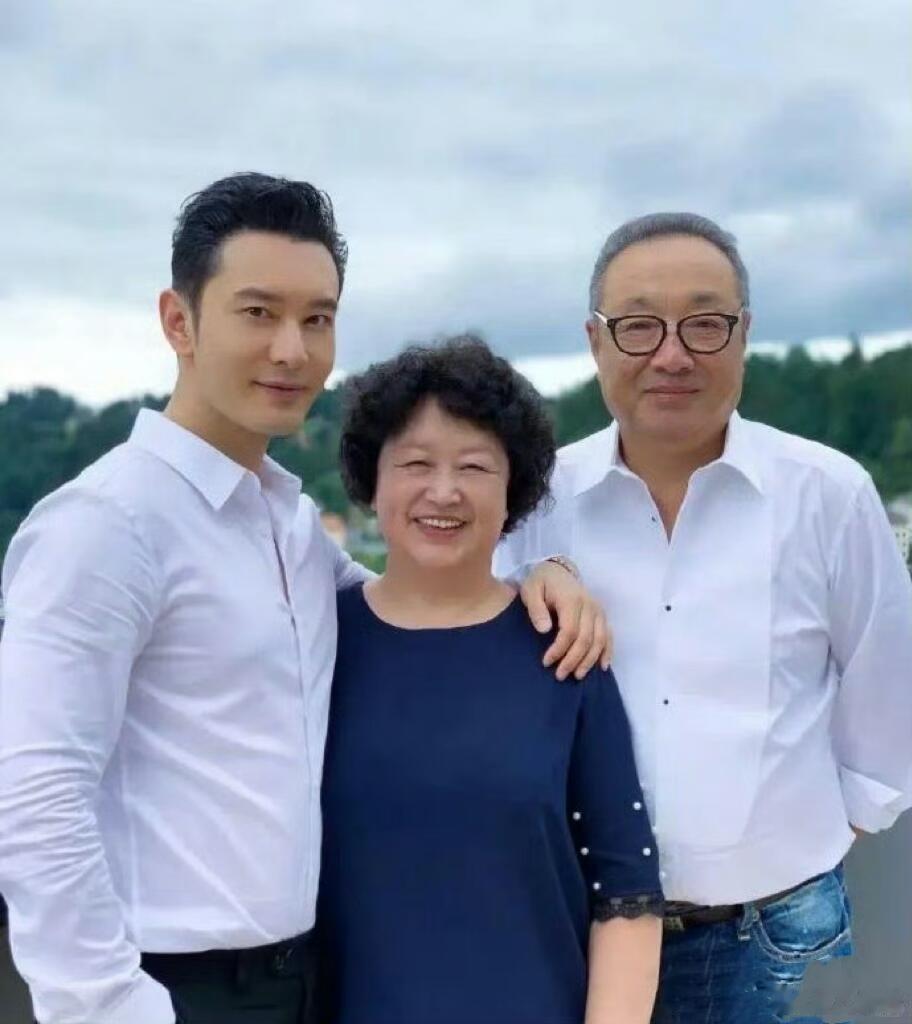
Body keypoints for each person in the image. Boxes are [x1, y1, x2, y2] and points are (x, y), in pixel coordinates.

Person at [0, 173, 610, 1024]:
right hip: (169, 988)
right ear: (179, 321)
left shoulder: (284, 521)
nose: (292, 349)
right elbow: (35, 795)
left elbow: (411, 600)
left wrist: (544, 574)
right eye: (258, 313)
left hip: (308, 981)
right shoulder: (107, 525)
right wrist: (111, 1007)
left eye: (317, 319)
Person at [495, 212, 912, 1022]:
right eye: (639, 325)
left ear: (744, 334)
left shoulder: (828, 495)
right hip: (574, 929)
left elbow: (887, 699)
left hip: (767, 934)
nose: (672, 354)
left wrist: (797, 847)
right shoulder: (535, 503)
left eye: (705, 323)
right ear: (595, 341)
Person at [318, 336, 664, 1024]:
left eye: (474, 466)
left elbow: (626, 891)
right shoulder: (317, 641)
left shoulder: (562, 646)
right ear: (372, 480)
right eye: (415, 463)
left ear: (514, 489)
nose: (443, 491)